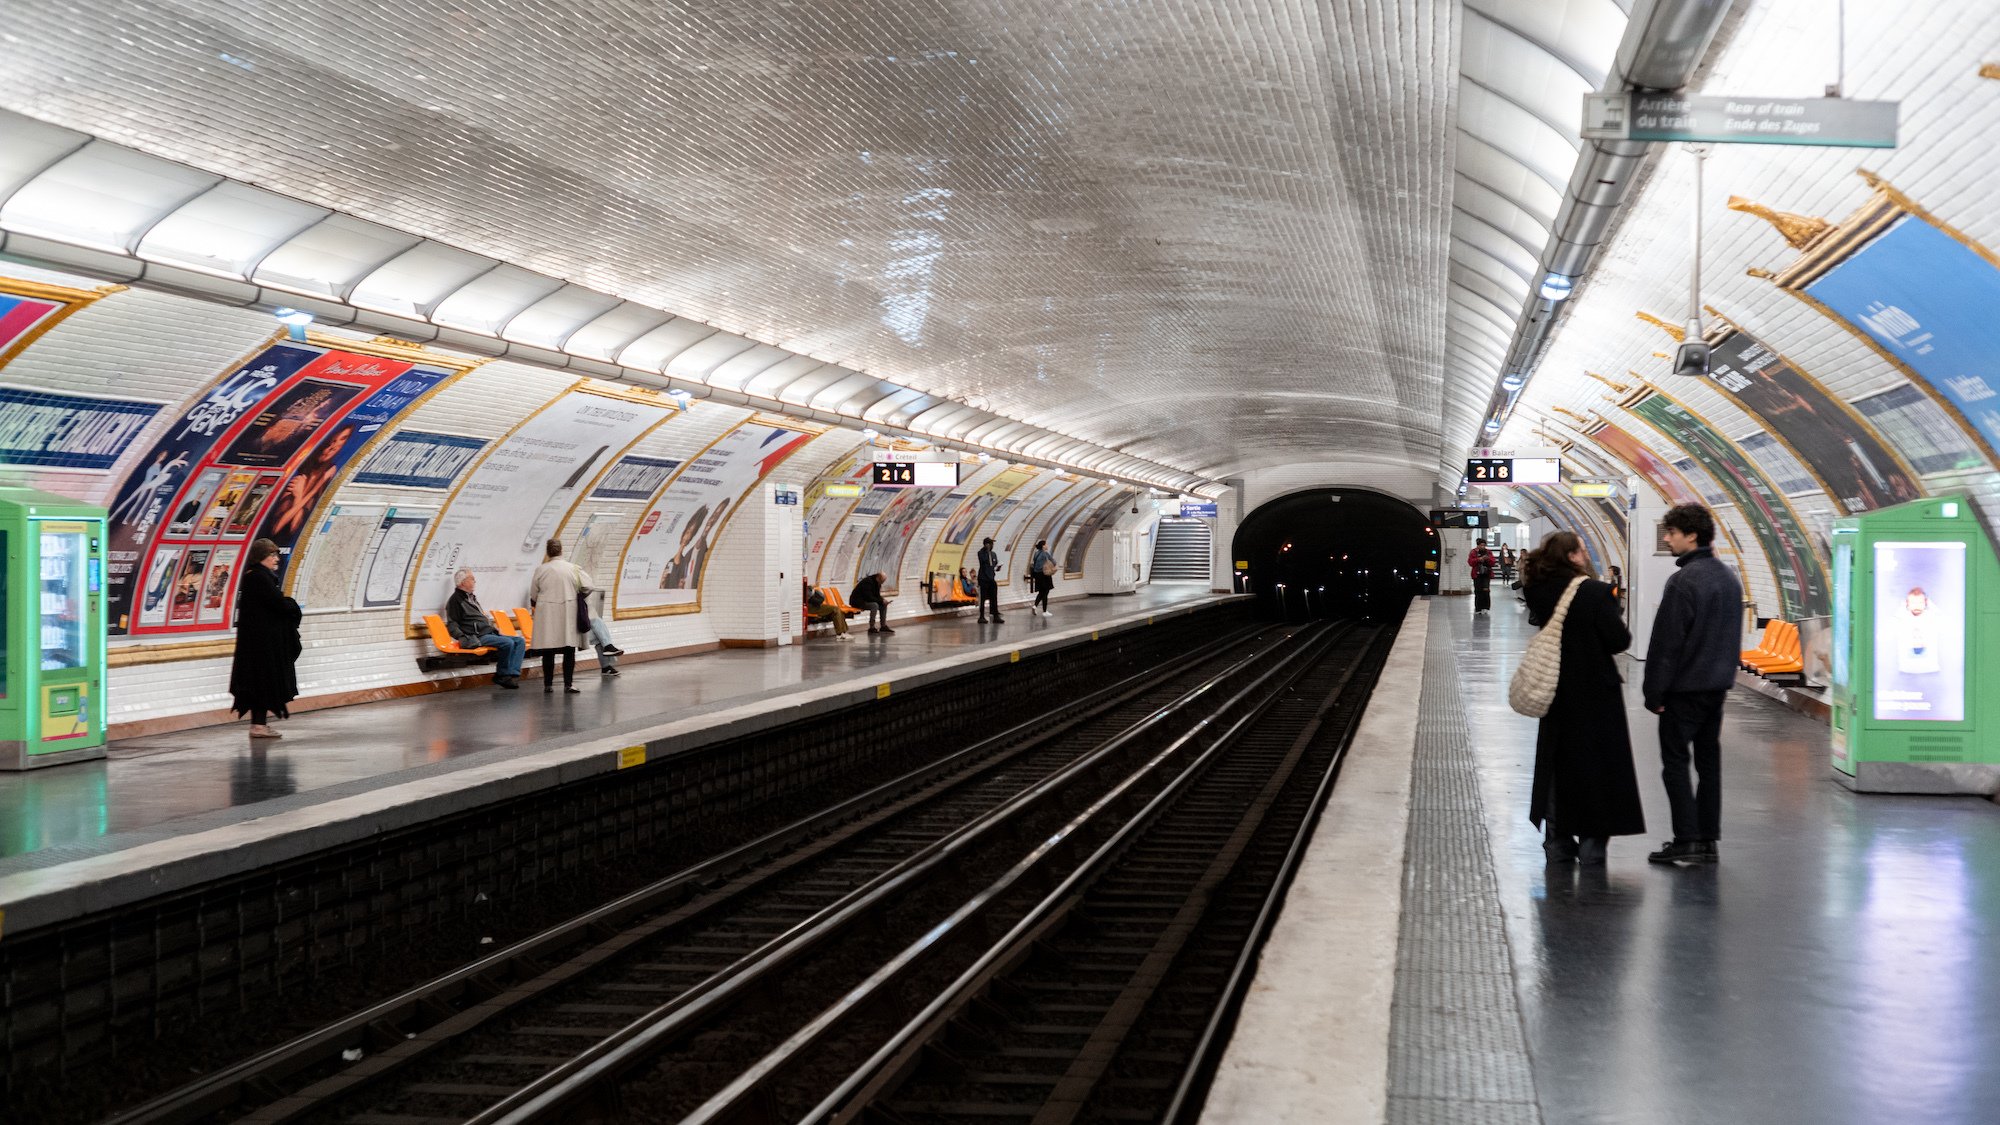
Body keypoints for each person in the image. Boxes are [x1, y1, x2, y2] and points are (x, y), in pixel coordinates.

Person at [1521, 531, 1646, 864]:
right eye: (1582, 550)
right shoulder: (1595, 592)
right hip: (1595, 692)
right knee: (1597, 766)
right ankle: (1592, 843)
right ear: (1574, 556)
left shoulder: (1538, 590)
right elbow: (1619, 640)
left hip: (1556, 690)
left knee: (1557, 762)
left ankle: (1557, 841)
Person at [1642, 503, 1744, 866]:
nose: (1667, 538)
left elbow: (1667, 643)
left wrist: (1653, 692)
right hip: (1716, 687)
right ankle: (1707, 840)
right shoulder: (1730, 578)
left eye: (1671, 533)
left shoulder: (1684, 580)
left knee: (1674, 762)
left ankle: (1686, 839)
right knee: (1708, 762)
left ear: (1692, 535)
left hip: (1683, 690)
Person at [228, 538, 301, 738]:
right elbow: (278, 604)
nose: (276, 559)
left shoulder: (257, 576)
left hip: (257, 644)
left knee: (260, 684)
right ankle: (258, 726)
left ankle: (259, 724)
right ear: (262, 557)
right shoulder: (258, 578)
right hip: (260, 646)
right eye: (272, 555)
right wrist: (291, 604)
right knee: (261, 683)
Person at [446, 568, 526, 688]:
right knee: (508, 643)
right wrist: (462, 637)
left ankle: (513, 675)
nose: (474, 581)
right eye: (472, 579)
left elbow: (482, 618)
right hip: (477, 636)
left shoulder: (471, 598)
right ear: (463, 582)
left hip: (488, 632)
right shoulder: (455, 601)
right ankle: (502, 675)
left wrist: (494, 629)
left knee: (520, 641)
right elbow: (452, 623)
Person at [529, 538, 588, 694]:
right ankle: (568, 684)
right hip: (567, 613)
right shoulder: (573, 569)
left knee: (548, 651)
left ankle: (548, 685)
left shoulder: (541, 570)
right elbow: (589, 586)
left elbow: (533, 594)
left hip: (547, 614)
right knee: (569, 650)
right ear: (561, 550)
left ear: (548, 552)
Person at [578, 578, 623, 675]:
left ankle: (606, 664)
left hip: (580, 626)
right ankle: (608, 650)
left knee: (599, 636)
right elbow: (589, 586)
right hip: (571, 628)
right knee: (597, 624)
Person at [977, 537, 1005, 623]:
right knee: (983, 598)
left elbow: (993, 565)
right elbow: (984, 561)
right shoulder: (981, 553)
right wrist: (987, 551)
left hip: (991, 578)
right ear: (986, 544)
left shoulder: (993, 554)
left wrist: (998, 567)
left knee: (994, 597)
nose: (992, 546)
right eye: (991, 544)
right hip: (983, 578)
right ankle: (981, 616)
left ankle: (995, 614)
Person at [1028, 538, 1057, 616]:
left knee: (1041, 592)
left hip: (1038, 575)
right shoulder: (1045, 554)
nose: (1047, 545)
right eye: (1045, 544)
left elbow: (1036, 564)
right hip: (1045, 575)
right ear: (1043, 546)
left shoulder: (1036, 553)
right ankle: (1044, 611)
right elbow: (1053, 562)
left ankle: (1035, 606)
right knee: (1045, 593)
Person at [1468, 537, 1497, 613]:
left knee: (1486, 591)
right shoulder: (1473, 552)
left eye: (1484, 545)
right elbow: (1470, 562)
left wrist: (1487, 559)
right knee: (1478, 591)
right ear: (1477, 545)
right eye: (1481, 545)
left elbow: (1493, 562)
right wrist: (1479, 559)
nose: (1482, 547)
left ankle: (1486, 607)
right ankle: (1478, 608)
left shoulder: (1488, 552)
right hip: (1477, 575)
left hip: (1486, 574)